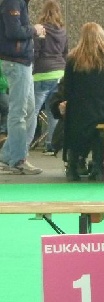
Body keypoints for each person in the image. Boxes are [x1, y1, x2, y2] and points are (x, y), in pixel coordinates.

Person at [62, 22, 104, 181]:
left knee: (73, 119)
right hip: (102, 111)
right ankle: (97, 166)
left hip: (78, 114)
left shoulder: (72, 60)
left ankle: (73, 166)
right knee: (100, 129)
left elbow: (66, 90)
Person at [0, 0, 45, 175]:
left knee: (28, 109)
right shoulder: (13, 2)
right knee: (19, 112)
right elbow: (13, 32)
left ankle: (8, 154)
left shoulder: (18, 3)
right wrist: (34, 30)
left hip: (21, 62)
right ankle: (18, 159)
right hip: (16, 63)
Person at [27, 0, 67, 156]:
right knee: (53, 112)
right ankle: (52, 144)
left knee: (33, 111)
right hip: (60, 73)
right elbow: (65, 53)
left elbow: (35, 52)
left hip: (42, 73)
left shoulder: (41, 31)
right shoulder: (63, 31)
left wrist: (31, 68)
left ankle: (24, 145)